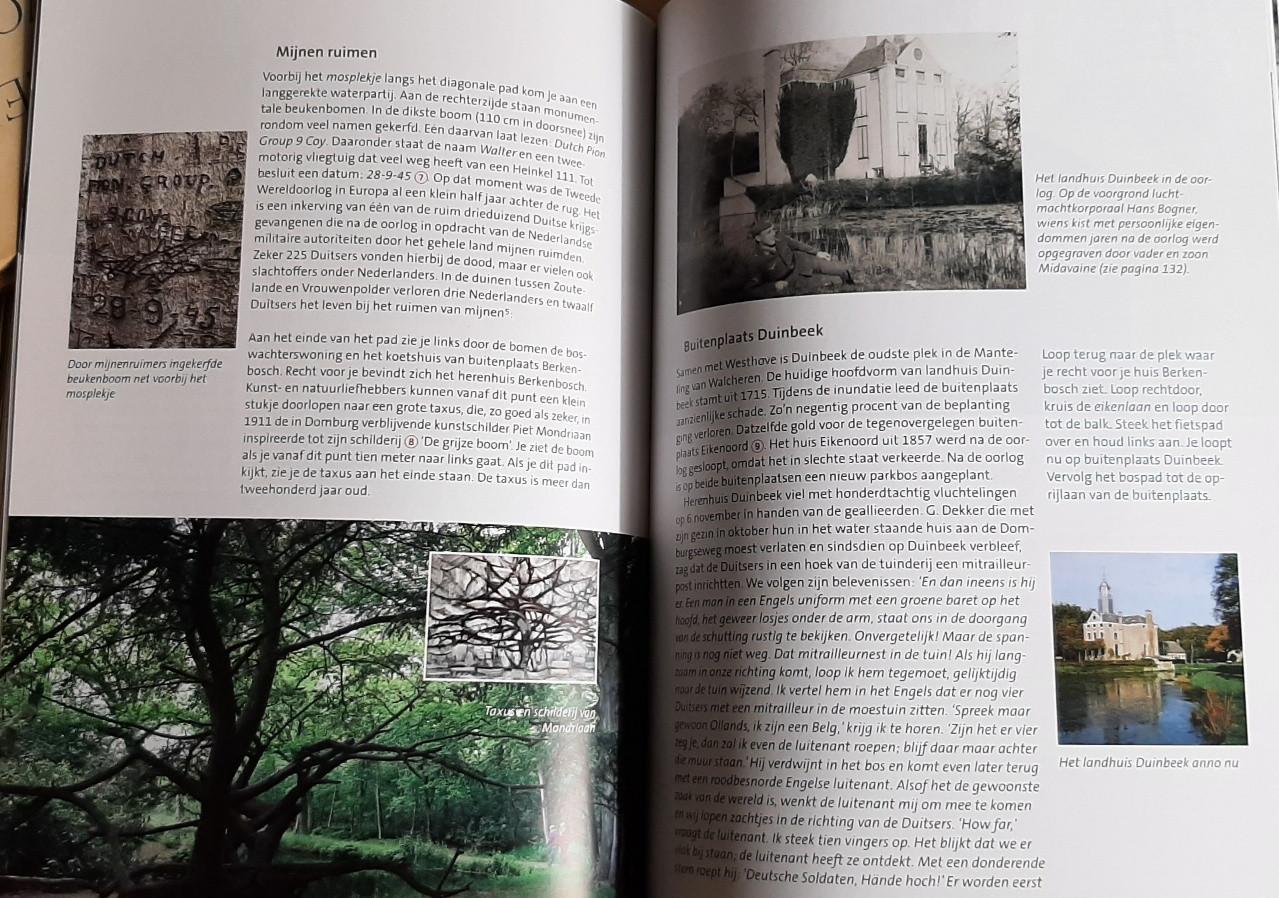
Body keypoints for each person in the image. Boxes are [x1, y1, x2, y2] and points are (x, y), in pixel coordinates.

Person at [744, 219, 854, 298]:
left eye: (773, 230)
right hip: (790, 281)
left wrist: (817, 253)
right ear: (758, 238)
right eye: (768, 232)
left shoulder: (779, 237)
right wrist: (773, 286)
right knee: (813, 296)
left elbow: (797, 245)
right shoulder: (754, 261)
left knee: (842, 269)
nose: (773, 234)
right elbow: (750, 290)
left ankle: (851, 288)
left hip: (803, 261)